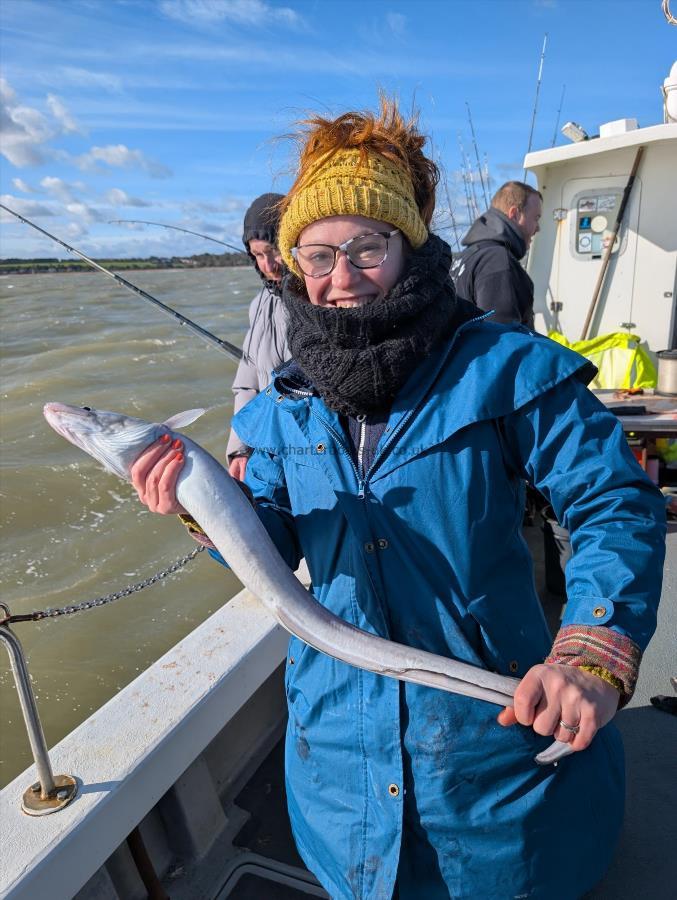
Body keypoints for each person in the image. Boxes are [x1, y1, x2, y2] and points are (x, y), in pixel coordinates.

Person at [130, 99, 665, 900]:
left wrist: (591, 648)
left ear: (408, 244)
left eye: (365, 248)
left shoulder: (511, 366)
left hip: (498, 741)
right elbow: (272, 549)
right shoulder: (277, 405)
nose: (339, 280)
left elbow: (613, 504)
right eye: (316, 255)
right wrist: (194, 507)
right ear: (289, 264)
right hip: (335, 755)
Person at [226, 192, 291, 480]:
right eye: (257, 255)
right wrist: (241, 448)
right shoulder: (258, 305)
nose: (267, 264)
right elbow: (247, 385)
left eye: (273, 250)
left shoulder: (322, 302)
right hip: (266, 455)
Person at [451, 180, 542, 328]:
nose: (538, 228)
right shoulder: (497, 261)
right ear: (515, 214)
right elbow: (503, 340)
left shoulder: (466, 257)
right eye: (536, 218)